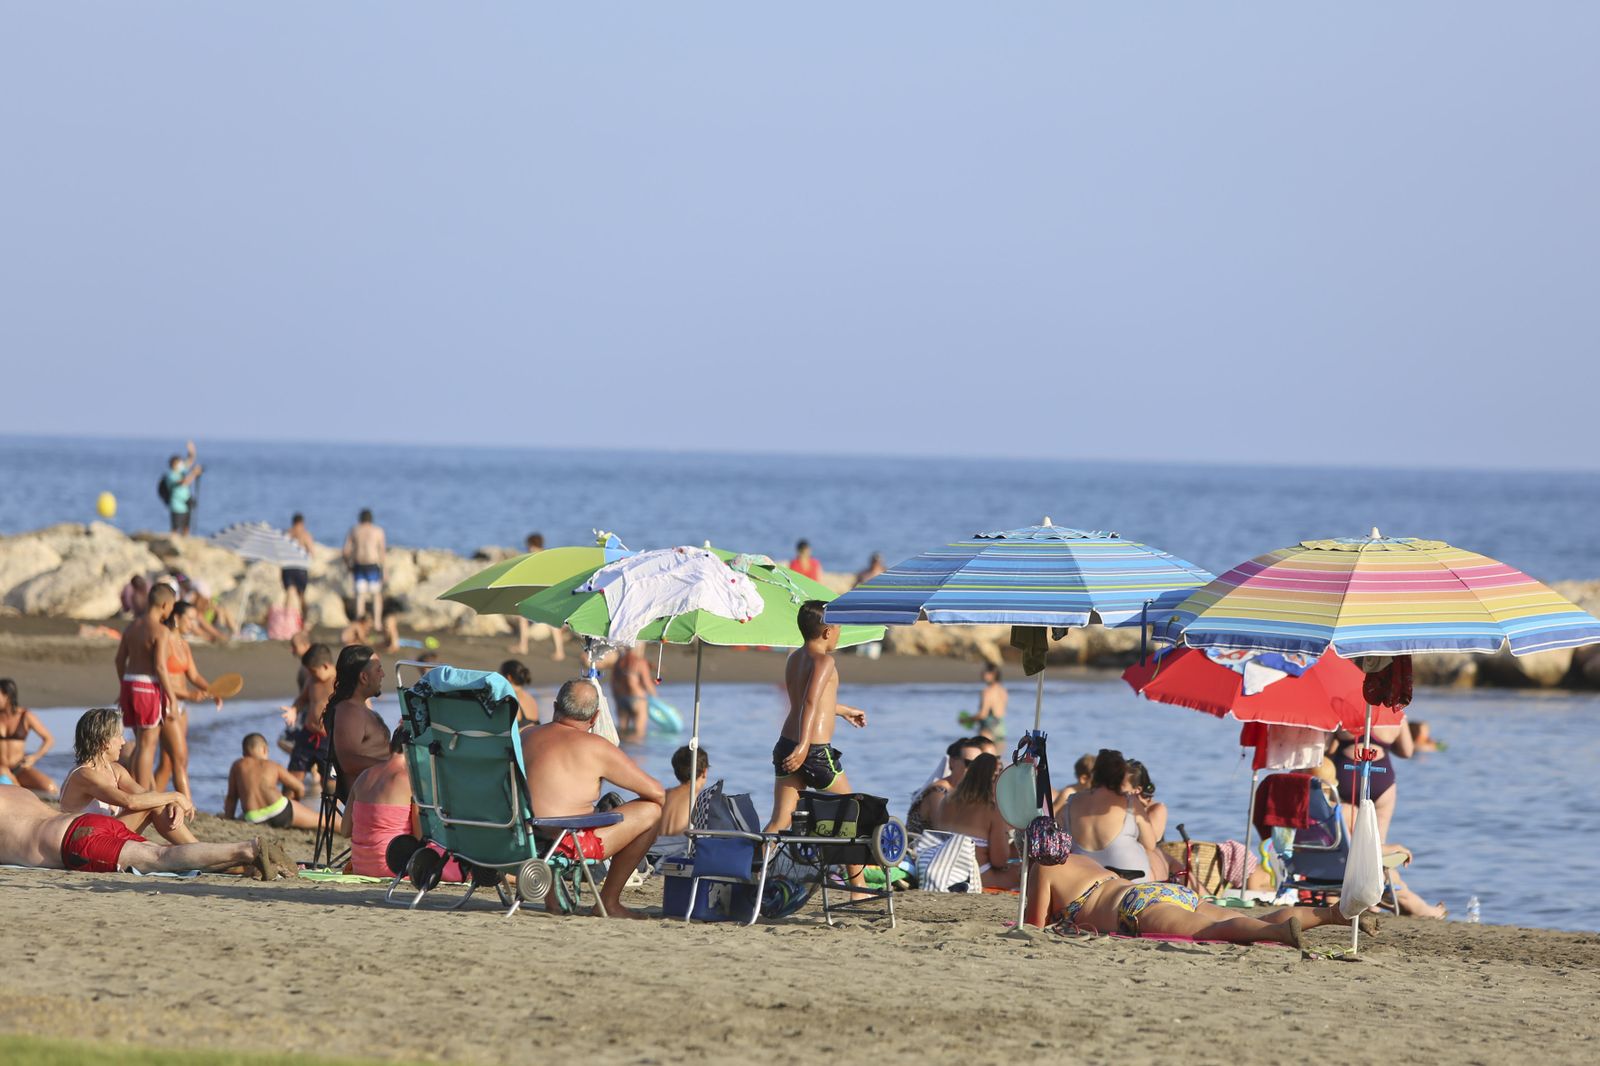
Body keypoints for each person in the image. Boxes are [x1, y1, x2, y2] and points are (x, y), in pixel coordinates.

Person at [520, 680, 665, 918]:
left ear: (556, 706)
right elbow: (657, 793)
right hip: (568, 843)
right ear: (596, 716)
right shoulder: (596, 747)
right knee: (652, 811)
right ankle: (608, 902)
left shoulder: (525, 735)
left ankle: (554, 897)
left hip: (523, 837)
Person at [1024, 850, 1360, 946]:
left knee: (1211, 932)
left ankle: (1276, 934)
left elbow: (1033, 925)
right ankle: (1332, 915)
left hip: (1133, 908)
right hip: (1161, 890)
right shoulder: (1083, 859)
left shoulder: (1043, 868)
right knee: (1241, 917)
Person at [0, 784, 293, 879]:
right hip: (85, 823)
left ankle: (248, 849)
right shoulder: (16, 790)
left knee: (160, 857)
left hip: (73, 843)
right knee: (177, 862)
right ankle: (249, 863)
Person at [766, 601, 869, 839]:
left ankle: (755, 871)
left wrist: (843, 711)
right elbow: (809, 703)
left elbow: (806, 702)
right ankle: (857, 879)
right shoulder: (825, 661)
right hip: (813, 750)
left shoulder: (794, 659)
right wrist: (804, 747)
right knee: (850, 814)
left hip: (786, 745)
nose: (840, 634)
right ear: (827, 632)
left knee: (780, 819)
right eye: (839, 629)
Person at [58, 707, 199, 845]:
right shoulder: (84, 775)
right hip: (82, 843)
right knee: (149, 805)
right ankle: (196, 850)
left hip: (105, 837)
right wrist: (176, 796)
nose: (123, 742)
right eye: (119, 736)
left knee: (154, 803)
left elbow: (146, 794)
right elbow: (130, 801)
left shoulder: (115, 770)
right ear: (104, 743)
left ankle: (195, 849)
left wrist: (172, 804)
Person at [152, 601, 224, 799]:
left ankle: (150, 801)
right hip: (166, 704)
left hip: (181, 706)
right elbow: (161, 677)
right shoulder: (164, 641)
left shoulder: (183, 644)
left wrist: (212, 690)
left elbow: (193, 675)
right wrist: (190, 695)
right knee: (180, 758)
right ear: (176, 618)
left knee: (168, 762)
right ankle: (188, 804)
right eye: (190, 619)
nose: (193, 624)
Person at [341, 726, 431, 878]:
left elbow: (345, 830)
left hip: (360, 866)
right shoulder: (412, 781)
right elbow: (420, 836)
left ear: (390, 747)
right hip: (394, 867)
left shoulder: (363, 776)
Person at [114, 581, 179, 789]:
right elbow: (160, 667)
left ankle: (135, 788)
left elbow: (119, 660)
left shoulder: (132, 626)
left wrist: (124, 685)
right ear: (165, 605)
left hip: (129, 684)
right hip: (148, 688)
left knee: (140, 742)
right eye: (172, 607)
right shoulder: (160, 630)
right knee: (147, 745)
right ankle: (142, 796)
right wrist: (172, 697)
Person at [1063, 749, 1163, 881]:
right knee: (1158, 858)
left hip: (1084, 879)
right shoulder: (1130, 801)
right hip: (1130, 881)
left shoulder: (1071, 801)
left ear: (1095, 774)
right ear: (1120, 775)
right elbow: (1150, 844)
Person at [931, 753, 1019, 889]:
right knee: (1022, 873)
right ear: (994, 778)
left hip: (942, 870)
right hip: (974, 876)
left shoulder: (946, 801)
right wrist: (1006, 834)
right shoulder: (991, 810)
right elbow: (999, 861)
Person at [1334, 716, 1415, 843]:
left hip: (1347, 775)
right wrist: (1387, 744)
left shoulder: (1343, 708)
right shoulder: (1394, 711)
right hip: (1381, 779)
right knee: (1378, 840)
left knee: (1345, 839)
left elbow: (1326, 747)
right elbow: (1407, 751)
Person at [327, 645, 391, 795]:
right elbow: (348, 762)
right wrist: (393, 766)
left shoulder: (358, 709)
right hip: (369, 800)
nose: (383, 674)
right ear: (363, 677)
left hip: (382, 792)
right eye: (378, 669)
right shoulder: (349, 712)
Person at [225, 734, 318, 829]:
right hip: (280, 811)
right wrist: (296, 803)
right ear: (264, 749)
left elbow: (231, 797)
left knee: (244, 815)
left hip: (254, 817)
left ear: (244, 753)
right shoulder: (272, 765)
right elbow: (299, 787)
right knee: (320, 820)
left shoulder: (238, 765)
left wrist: (228, 818)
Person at [906, 737, 983, 837]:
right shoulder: (938, 792)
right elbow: (944, 830)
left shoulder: (971, 792)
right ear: (952, 762)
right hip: (919, 848)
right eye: (969, 763)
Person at [512, 533, 566, 661]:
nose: (528, 549)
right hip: (547, 593)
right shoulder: (547, 556)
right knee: (545, 620)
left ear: (532, 545)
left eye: (529, 546)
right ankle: (558, 651)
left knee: (548, 621)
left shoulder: (538, 557)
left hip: (544, 594)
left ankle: (525, 646)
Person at [0, 679, 57, 796]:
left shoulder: (25, 716)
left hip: (19, 768)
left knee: (50, 788)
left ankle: (18, 786)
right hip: (1, 768)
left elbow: (49, 739)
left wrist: (34, 757)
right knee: (14, 789)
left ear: (7, 696)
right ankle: (17, 787)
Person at [343, 509, 388, 630]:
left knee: (360, 596)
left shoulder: (354, 530)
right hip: (373, 565)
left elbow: (346, 551)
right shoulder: (378, 531)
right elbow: (382, 552)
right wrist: (384, 570)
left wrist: (348, 565)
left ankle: (359, 622)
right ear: (371, 519)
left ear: (360, 518)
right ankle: (377, 623)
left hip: (359, 566)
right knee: (376, 595)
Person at [659, 745, 709, 838]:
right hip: (679, 850)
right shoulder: (699, 801)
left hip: (656, 849)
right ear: (705, 772)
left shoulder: (663, 795)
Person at [611, 644, 657, 742]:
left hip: (621, 699)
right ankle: (636, 754)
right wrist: (656, 697)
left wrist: (616, 699)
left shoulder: (619, 662)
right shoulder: (640, 662)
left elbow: (613, 682)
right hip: (637, 699)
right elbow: (647, 683)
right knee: (639, 733)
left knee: (622, 730)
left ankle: (624, 750)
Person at [161, 441, 201, 535]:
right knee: (175, 529)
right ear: (174, 464)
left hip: (186, 505)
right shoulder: (170, 475)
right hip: (176, 507)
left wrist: (192, 450)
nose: (181, 464)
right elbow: (184, 483)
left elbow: (190, 460)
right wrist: (194, 474)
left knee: (186, 528)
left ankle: (185, 543)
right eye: (179, 463)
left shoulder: (181, 471)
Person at [1124, 759, 1168, 841]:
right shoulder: (1118, 805)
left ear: (1137, 789)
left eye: (1121, 784)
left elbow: (1150, 844)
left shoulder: (1156, 809)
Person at [281, 512, 315, 619]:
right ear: (302, 523)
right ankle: (303, 617)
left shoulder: (286, 533)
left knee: (289, 593)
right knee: (301, 595)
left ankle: (286, 617)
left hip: (288, 567)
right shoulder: (305, 535)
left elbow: (281, 551)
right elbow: (311, 552)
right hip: (300, 567)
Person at [499, 660, 541, 726]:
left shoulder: (509, 699)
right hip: (533, 734)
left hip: (521, 735)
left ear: (509, 677)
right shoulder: (531, 698)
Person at [975, 663, 1007, 741]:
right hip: (1001, 730)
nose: (982, 673)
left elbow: (983, 714)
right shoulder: (1002, 690)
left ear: (992, 674)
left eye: (984, 671)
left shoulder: (987, 692)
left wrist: (966, 719)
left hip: (988, 730)